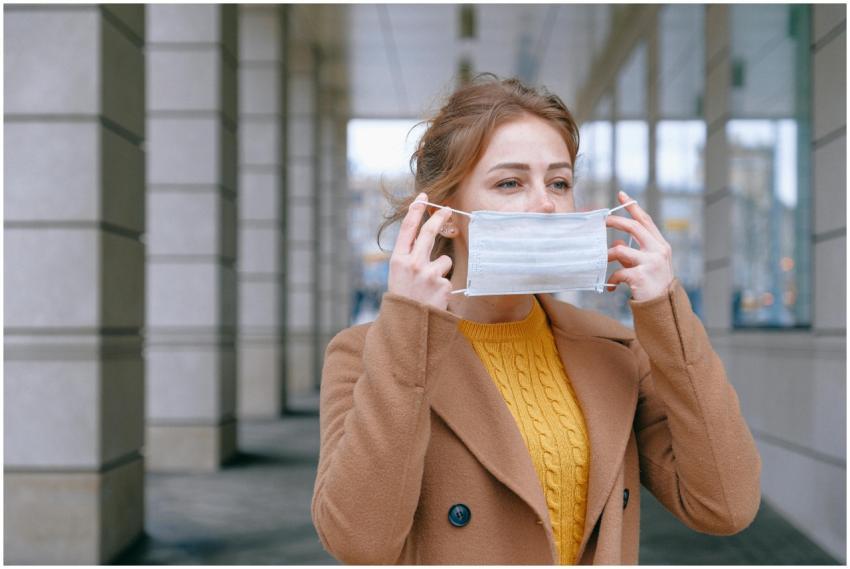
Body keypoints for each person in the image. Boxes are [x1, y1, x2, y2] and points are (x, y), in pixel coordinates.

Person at [311, 74, 761, 565]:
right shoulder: (365, 354)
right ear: (448, 213)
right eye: (510, 182)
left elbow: (726, 506)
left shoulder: (614, 350)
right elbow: (359, 542)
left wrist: (666, 314)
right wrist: (408, 328)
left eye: (559, 183)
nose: (546, 204)